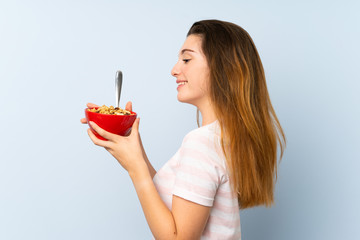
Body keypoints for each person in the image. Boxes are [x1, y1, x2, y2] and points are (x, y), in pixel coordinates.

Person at [80, 19, 286, 240]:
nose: (174, 69)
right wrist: (135, 155)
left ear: (222, 67)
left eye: (186, 59)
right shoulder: (224, 137)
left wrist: (136, 169)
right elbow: (177, 205)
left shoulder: (201, 143)